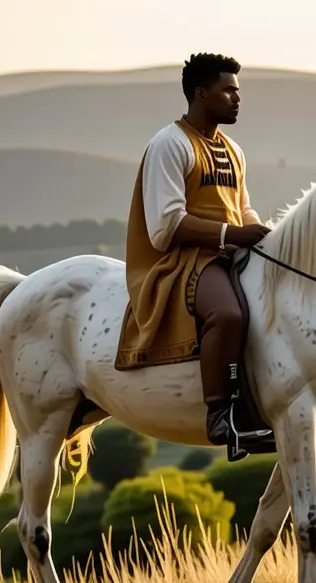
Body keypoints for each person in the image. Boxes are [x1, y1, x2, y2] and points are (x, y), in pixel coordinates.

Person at [114, 52, 274, 449]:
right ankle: (222, 416)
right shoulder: (169, 144)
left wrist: (265, 232)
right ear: (201, 94)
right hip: (183, 261)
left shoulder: (233, 150)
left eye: (239, 92)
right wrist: (232, 235)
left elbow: (241, 208)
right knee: (228, 313)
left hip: (225, 252)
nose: (237, 99)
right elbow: (166, 225)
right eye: (229, 91)